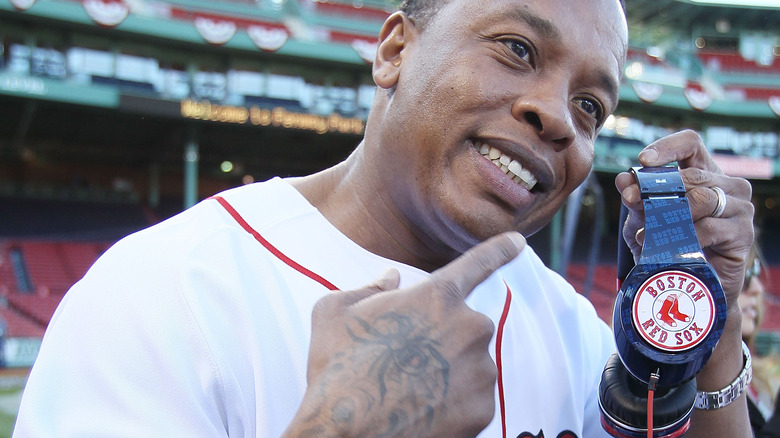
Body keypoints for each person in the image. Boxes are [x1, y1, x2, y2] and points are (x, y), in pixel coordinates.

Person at [13, 0, 754, 436]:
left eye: (591, 107)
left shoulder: (572, 328)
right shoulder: (162, 292)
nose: (558, 115)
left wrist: (712, 339)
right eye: (516, 49)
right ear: (396, 49)